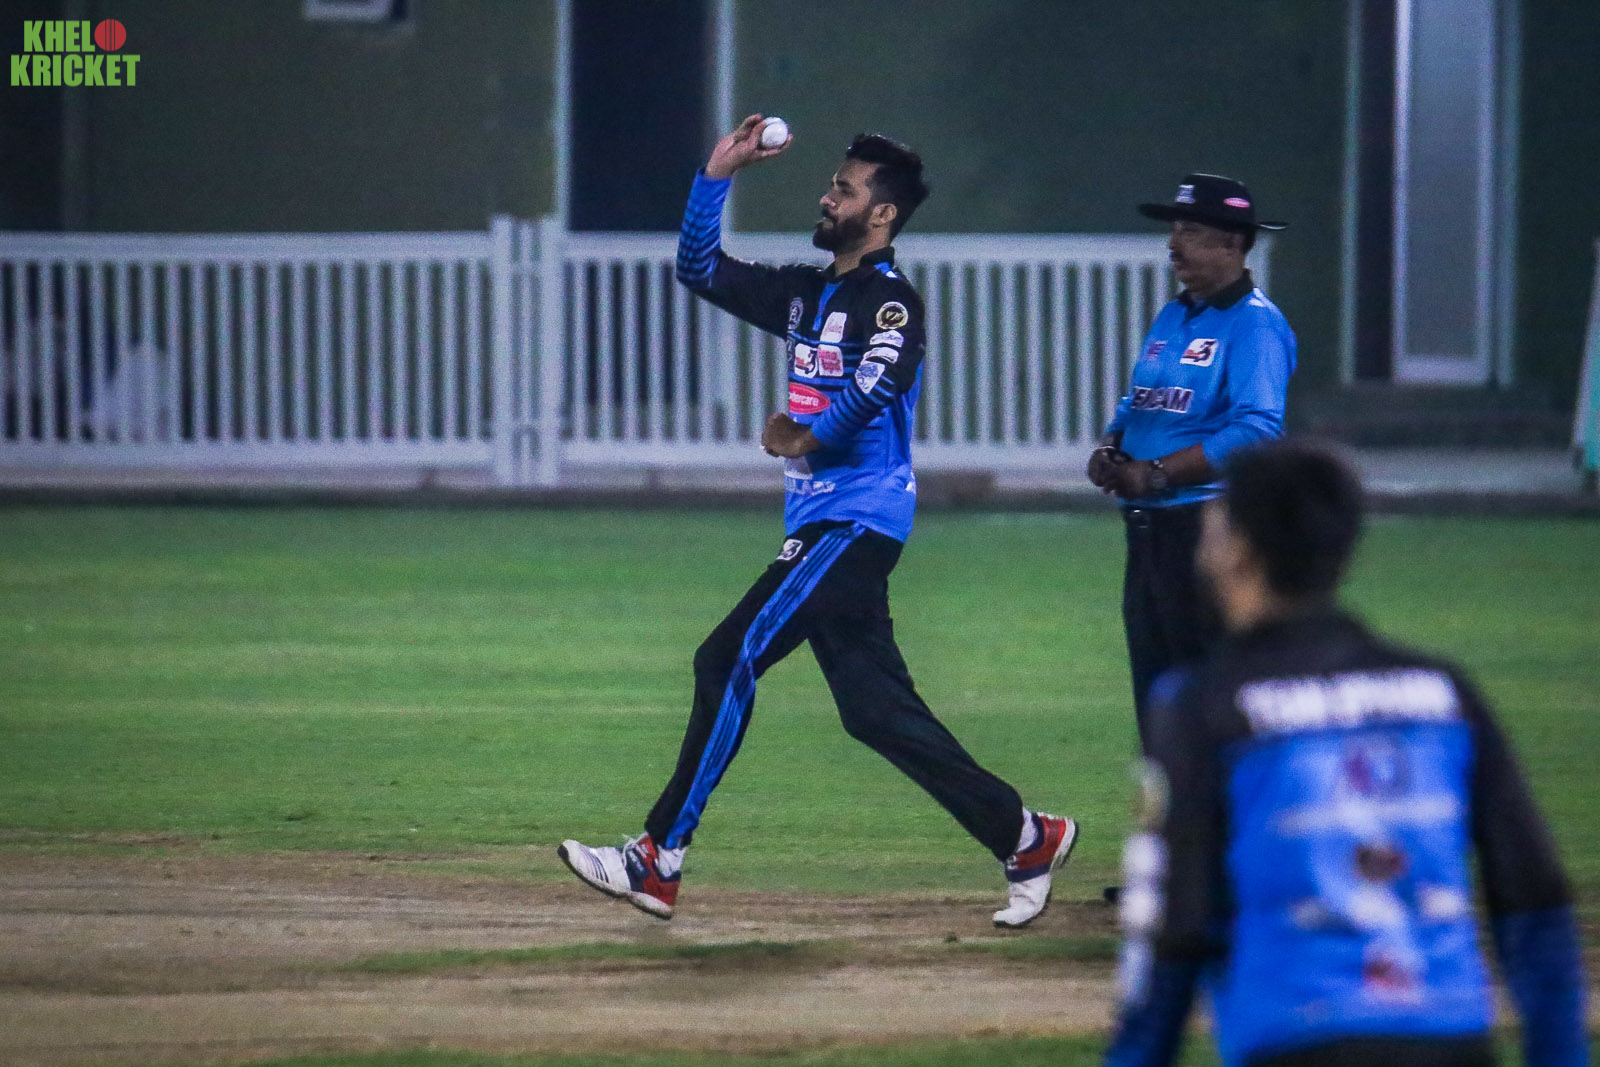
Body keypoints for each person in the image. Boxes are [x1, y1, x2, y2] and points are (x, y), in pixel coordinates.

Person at [559, 115, 1077, 927]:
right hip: (825, 526)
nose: (827, 196)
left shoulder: (892, 302)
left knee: (726, 655)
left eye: (845, 188)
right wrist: (717, 174)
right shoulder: (810, 295)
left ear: (883, 214)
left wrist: (806, 436)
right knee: (875, 711)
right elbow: (698, 268)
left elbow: (879, 382)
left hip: (855, 526)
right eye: (833, 184)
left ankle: (658, 857)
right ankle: (1026, 836)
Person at [1104, 440, 1588, 1067]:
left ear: (1239, 549)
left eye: (1215, 525)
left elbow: (1173, 927)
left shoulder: (1202, 706)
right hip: (1452, 1038)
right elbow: (1537, 901)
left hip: (1295, 1040)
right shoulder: (1443, 691)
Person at [1087, 173, 1296, 746]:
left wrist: (1157, 473)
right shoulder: (1174, 315)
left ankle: (1217, 802)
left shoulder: (1255, 324)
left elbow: (1257, 429)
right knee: (1158, 699)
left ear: (1232, 243)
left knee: (1207, 699)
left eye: (1192, 232)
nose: (1174, 244)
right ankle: (1171, 802)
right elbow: (1141, 398)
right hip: (1149, 534)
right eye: (1175, 229)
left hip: (1204, 531)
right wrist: (1113, 445)